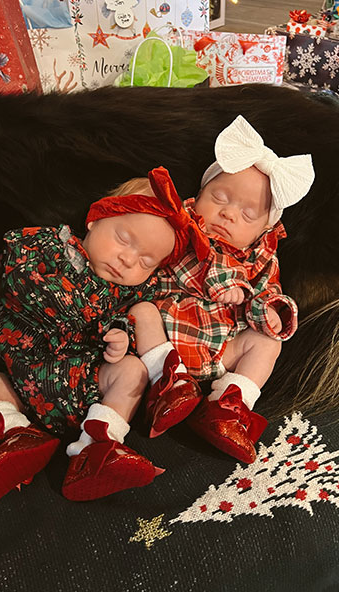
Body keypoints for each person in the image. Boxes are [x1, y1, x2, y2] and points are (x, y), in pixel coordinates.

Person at [0, 167, 208, 504]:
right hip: (22, 379)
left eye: (146, 261)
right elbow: (20, 280)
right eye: (123, 239)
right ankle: (16, 435)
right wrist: (89, 318)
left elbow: (125, 322)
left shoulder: (128, 293)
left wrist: (119, 338)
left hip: (83, 383)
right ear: (95, 219)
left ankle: (96, 449)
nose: (128, 259)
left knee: (133, 371)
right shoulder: (47, 247)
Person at [110, 115, 315, 464]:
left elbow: (268, 292)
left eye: (247, 215)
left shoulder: (261, 257)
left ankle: (228, 404)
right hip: (163, 341)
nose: (228, 214)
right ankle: (168, 386)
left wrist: (267, 311)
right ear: (199, 194)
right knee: (141, 312)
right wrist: (225, 283)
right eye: (219, 197)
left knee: (266, 342)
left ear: (263, 230)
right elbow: (167, 263)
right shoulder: (181, 227)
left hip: (222, 351)